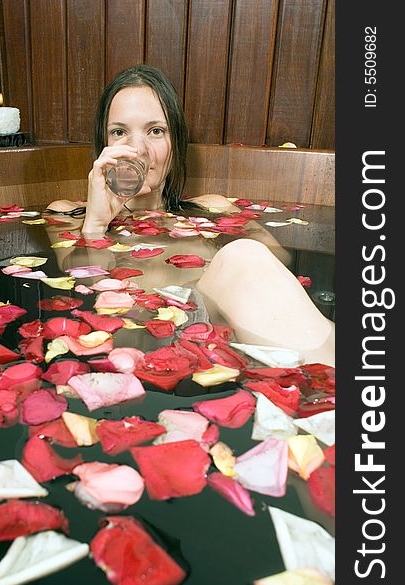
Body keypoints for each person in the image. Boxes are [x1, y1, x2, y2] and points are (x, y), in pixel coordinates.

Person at [46, 65, 334, 367]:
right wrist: (96, 224)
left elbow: (279, 262)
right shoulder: (69, 215)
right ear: (103, 144)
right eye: (119, 132)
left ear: (175, 143)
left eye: (155, 131)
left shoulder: (212, 209)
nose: (137, 149)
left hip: (226, 344)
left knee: (244, 255)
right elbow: (81, 287)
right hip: (142, 353)